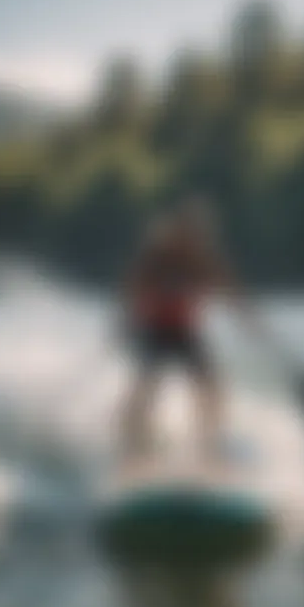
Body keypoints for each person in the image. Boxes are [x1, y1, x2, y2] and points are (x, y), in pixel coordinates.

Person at [119, 194, 253, 467]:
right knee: (147, 385)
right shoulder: (157, 256)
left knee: (210, 387)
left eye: (200, 233)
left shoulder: (204, 259)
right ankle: (133, 446)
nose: (196, 238)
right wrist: (127, 318)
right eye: (191, 231)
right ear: (180, 230)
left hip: (184, 332)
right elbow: (133, 287)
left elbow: (230, 290)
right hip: (155, 330)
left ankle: (211, 448)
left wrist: (248, 318)